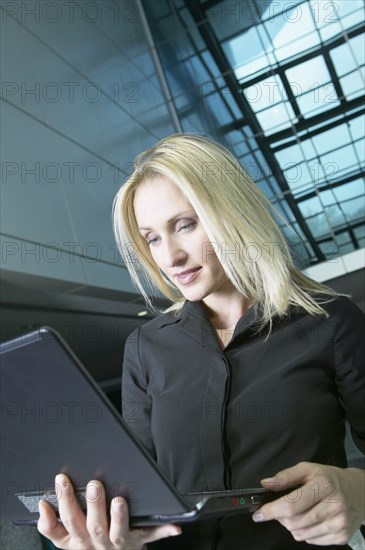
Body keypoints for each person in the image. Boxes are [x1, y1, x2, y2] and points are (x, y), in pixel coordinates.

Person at [38, 134, 365, 549]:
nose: (169, 257)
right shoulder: (145, 348)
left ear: (231, 212)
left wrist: (359, 490)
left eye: (185, 225)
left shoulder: (330, 323)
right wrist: (106, 532)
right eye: (152, 238)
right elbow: (138, 494)